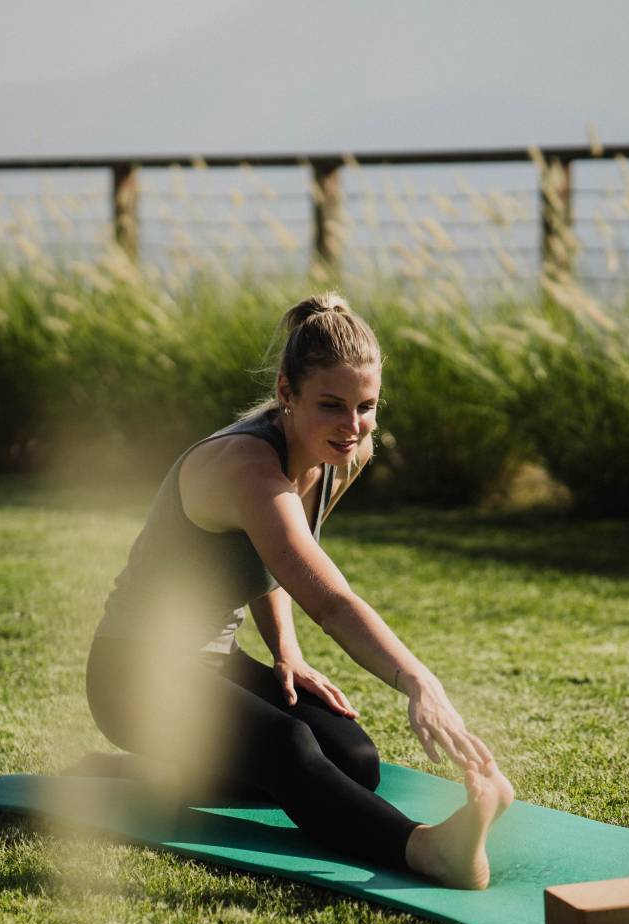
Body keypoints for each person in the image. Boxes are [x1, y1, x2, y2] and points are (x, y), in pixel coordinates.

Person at [85, 292, 513, 889]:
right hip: (132, 674)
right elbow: (330, 602)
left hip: (212, 663)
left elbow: (280, 560)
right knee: (287, 745)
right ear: (286, 392)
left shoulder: (342, 453)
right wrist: (420, 682)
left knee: (353, 760)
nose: (352, 426)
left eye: (366, 407)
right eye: (331, 405)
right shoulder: (246, 468)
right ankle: (426, 850)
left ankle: (154, 774)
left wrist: (286, 651)